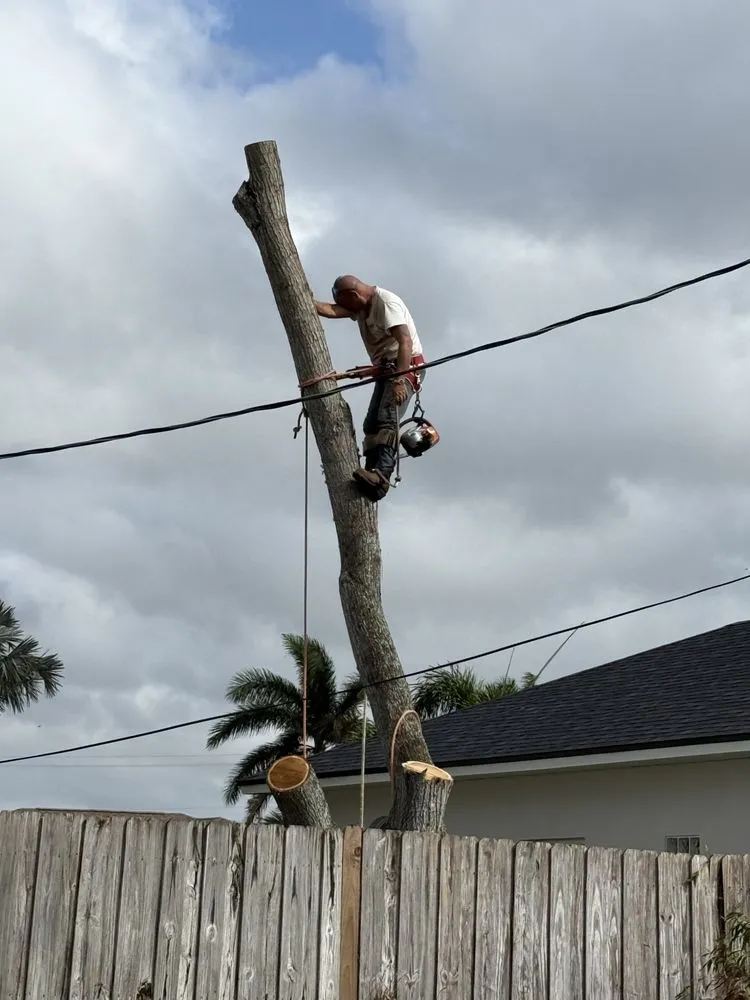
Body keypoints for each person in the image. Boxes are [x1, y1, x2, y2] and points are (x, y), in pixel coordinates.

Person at [314, 275, 426, 502]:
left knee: (386, 418)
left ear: (354, 296)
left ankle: (382, 476)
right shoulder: (361, 306)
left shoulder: (385, 303)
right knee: (370, 424)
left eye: (347, 303)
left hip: (405, 367)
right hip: (387, 370)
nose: (347, 310)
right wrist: (307, 300)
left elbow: (404, 341)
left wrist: (399, 380)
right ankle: (371, 471)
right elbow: (332, 310)